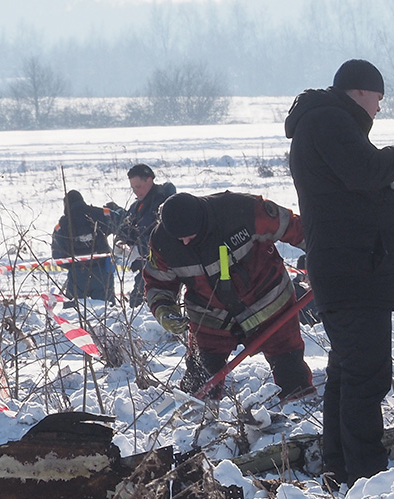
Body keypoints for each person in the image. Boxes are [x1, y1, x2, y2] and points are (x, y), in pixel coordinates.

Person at [285, 58, 394, 488]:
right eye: (378, 99)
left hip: (348, 269)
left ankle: (338, 468)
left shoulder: (324, 123)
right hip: (353, 270)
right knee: (368, 376)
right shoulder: (330, 122)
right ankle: (366, 473)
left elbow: (354, 185)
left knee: (348, 373)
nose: (379, 109)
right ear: (360, 90)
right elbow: (364, 171)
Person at [144, 191, 313, 401]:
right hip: (210, 317)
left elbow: (298, 229)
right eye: (180, 239)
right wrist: (164, 310)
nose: (185, 242)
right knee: (200, 380)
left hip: (270, 305)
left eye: (189, 236)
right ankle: (198, 425)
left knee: (290, 368)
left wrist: (325, 256)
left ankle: (298, 412)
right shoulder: (163, 242)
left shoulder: (243, 210)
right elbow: (158, 283)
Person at [106, 164, 176, 307]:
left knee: (140, 303)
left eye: (138, 187)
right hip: (144, 266)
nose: (135, 192)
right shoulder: (137, 206)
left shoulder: (162, 205)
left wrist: (139, 250)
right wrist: (121, 244)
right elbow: (125, 229)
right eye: (133, 188)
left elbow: (160, 237)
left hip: (160, 267)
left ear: (149, 181)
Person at [51, 189, 117, 303]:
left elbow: (58, 257)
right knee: (107, 312)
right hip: (102, 272)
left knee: (74, 313)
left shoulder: (62, 226)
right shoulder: (99, 214)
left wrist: (73, 267)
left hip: (77, 275)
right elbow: (121, 222)